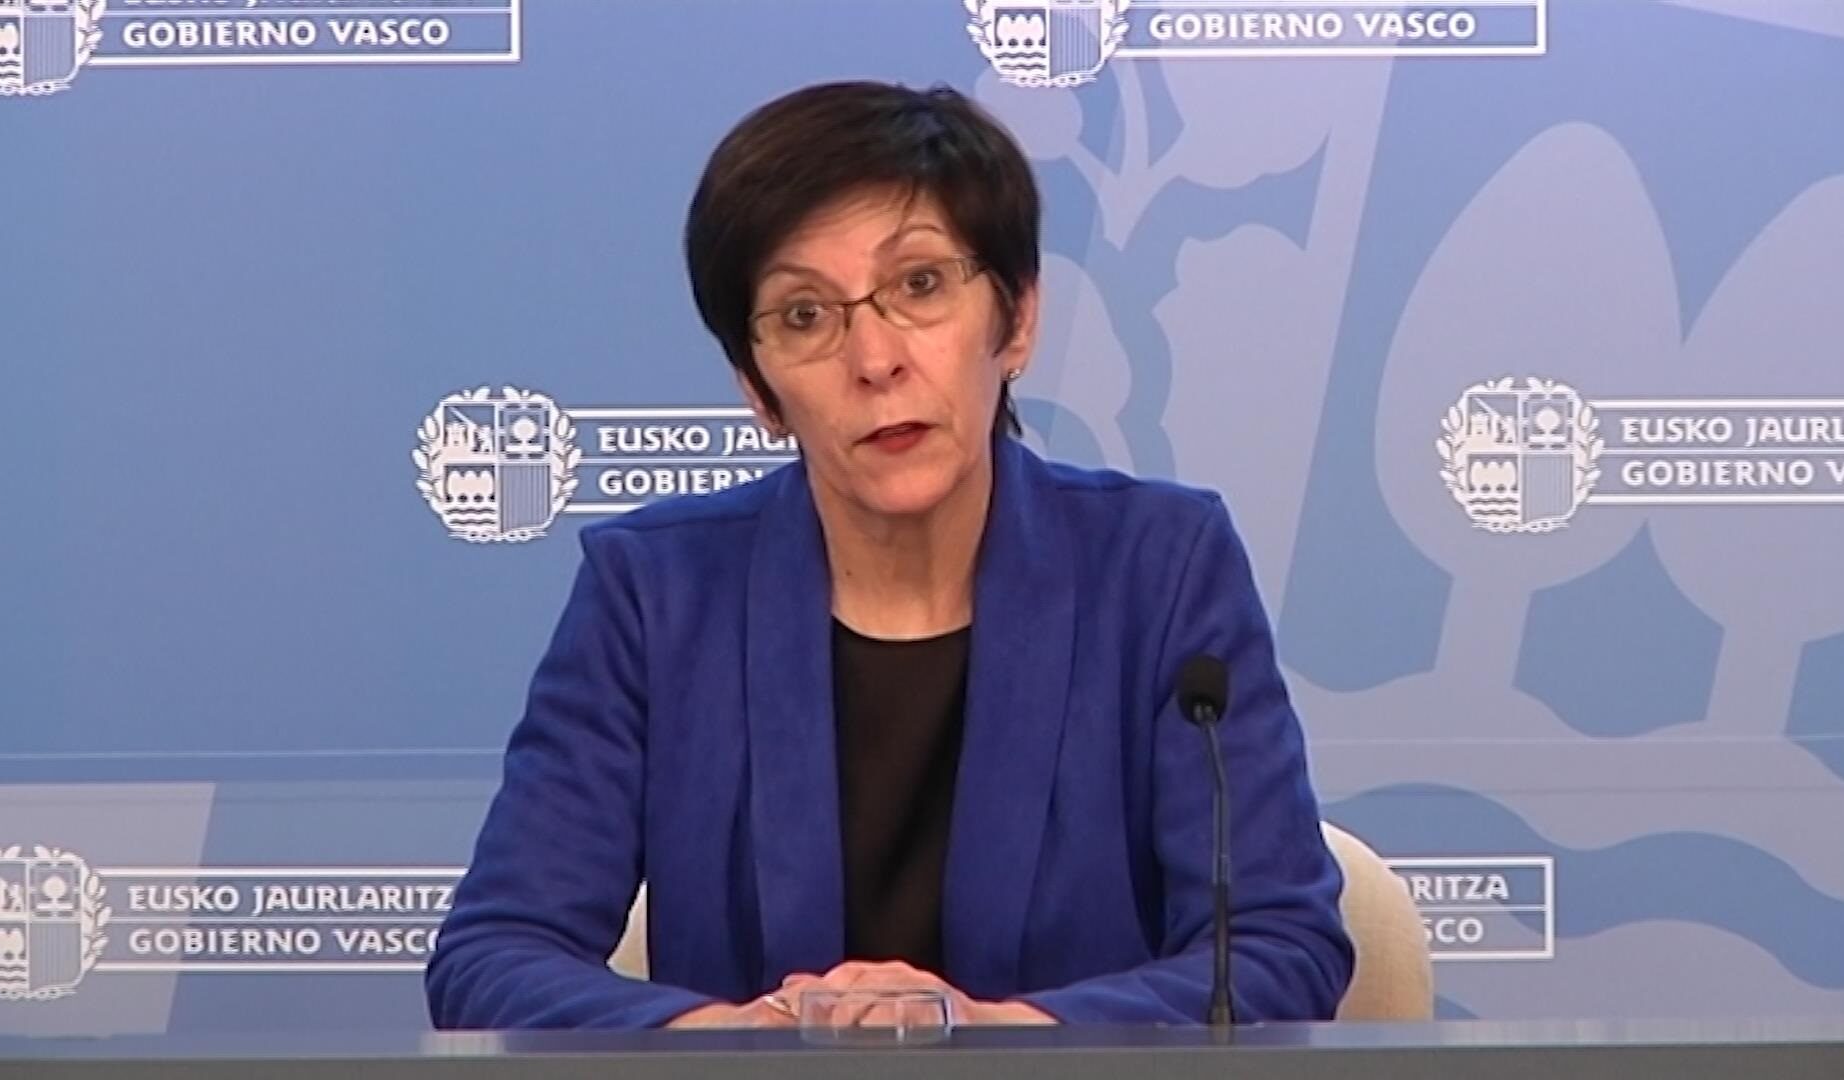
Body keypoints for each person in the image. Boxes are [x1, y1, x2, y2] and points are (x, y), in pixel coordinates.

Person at [425, 80, 1353, 1031]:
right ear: (757, 389)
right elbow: (492, 958)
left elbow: (1278, 948)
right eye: (804, 315)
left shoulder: (1160, 571)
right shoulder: (656, 595)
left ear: (1017, 321)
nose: (875, 360)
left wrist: (988, 1035)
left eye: (920, 286)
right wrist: (741, 1038)